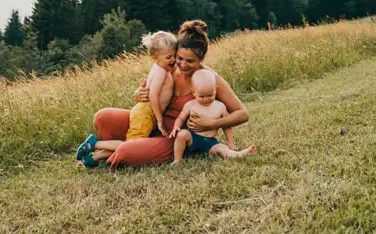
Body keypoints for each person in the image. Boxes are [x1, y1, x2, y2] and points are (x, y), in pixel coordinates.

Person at [74, 20, 250, 171]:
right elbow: (146, 92)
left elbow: (242, 114)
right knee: (103, 117)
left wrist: (212, 123)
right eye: (179, 58)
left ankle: (106, 150)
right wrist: (139, 94)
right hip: (151, 123)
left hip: (172, 137)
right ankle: (124, 145)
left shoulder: (209, 79)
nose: (182, 65)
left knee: (127, 152)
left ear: (201, 59)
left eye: (190, 61)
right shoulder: (167, 68)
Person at [75, 31, 177, 167]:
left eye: (175, 56)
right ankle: (95, 144)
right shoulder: (161, 73)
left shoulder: (159, 68)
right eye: (169, 57)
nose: (173, 60)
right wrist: (159, 120)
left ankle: (93, 158)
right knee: (131, 145)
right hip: (146, 114)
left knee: (131, 143)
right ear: (155, 57)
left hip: (144, 112)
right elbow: (152, 95)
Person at [169, 69, 256, 163]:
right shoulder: (190, 105)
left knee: (222, 148)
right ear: (193, 92)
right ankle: (177, 160)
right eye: (201, 96)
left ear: (215, 89)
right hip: (193, 138)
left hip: (210, 142)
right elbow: (181, 118)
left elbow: (226, 125)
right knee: (182, 134)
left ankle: (239, 154)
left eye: (210, 95)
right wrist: (176, 127)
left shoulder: (220, 106)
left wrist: (230, 142)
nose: (206, 99)